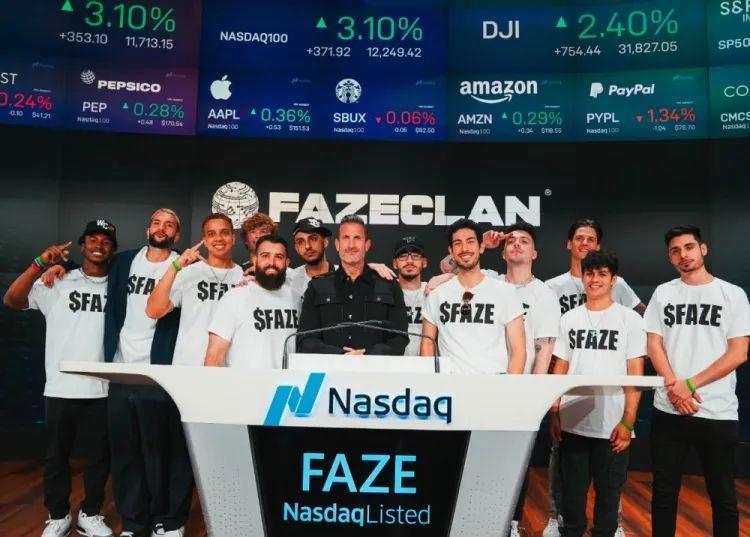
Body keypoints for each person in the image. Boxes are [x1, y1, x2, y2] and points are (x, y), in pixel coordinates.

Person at [3, 220, 118, 537]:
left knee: (99, 458)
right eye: (92, 239)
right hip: (61, 385)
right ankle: (58, 515)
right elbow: (12, 300)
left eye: (105, 241)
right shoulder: (59, 280)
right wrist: (39, 264)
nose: (98, 245)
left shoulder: (119, 285)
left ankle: (90, 514)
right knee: (56, 458)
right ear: (82, 245)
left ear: (112, 249)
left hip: (102, 387)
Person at [645, 225, 750, 537]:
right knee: (664, 493)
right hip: (668, 409)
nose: (683, 255)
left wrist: (689, 385)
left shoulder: (732, 294)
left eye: (689, 247)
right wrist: (674, 387)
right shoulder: (663, 293)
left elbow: (739, 353)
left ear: (703, 249)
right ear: (670, 258)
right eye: (675, 251)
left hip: (716, 410)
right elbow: (653, 343)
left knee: (723, 496)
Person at [544, 218, 643, 537]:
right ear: (583, 277)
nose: (595, 279)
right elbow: (560, 367)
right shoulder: (569, 319)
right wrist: (555, 411)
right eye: (590, 273)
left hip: (613, 424)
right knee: (571, 500)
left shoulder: (629, 320)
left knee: (608, 500)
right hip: (573, 421)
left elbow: (635, 375)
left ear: (613, 279)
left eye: (602, 274)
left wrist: (628, 421)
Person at [420, 218, 526, 374]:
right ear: (451, 251)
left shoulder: (506, 292)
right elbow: (427, 344)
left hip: (494, 382)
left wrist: (508, 387)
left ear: (481, 247)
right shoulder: (437, 294)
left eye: (470, 242)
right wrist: (432, 384)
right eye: (458, 243)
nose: (464, 248)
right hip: (450, 384)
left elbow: (519, 349)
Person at [297, 214, 409, 355]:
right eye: (346, 238)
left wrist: (368, 355)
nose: (351, 245)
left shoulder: (389, 286)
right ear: (337, 245)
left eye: (357, 238)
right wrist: (340, 355)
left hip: (377, 368)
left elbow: (399, 338)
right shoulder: (317, 287)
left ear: (367, 245)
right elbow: (305, 339)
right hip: (330, 368)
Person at [146, 213, 244, 365]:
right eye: (211, 234)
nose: (218, 238)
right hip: (188, 366)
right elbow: (153, 311)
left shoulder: (243, 277)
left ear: (233, 238)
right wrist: (175, 267)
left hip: (228, 368)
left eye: (224, 233)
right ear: (204, 240)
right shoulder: (188, 273)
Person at [204, 235, 301, 368]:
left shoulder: (296, 298)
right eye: (265, 256)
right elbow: (214, 354)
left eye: (279, 257)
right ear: (255, 260)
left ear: (287, 263)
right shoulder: (234, 297)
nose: (272, 262)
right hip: (244, 381)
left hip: (286, 381)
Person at [392, 236, 429, 356]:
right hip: (393, 361)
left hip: (427, 361)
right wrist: (373, 266)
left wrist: (447, 276)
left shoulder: (433, 291)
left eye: (416, 256)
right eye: (403, 256)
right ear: (395, 263)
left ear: (424, 262)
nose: (409, 261)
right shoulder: (386, 292)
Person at [286, 217, 336, 301]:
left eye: (313, 239)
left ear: (325, 242)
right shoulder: (289, 279)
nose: (307, 246)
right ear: (296, 248)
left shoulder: (343, 276)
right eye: (300, 242)